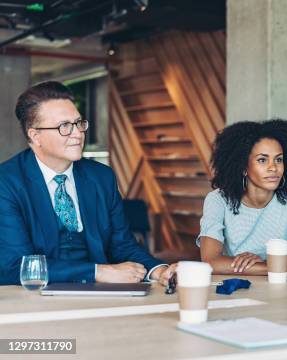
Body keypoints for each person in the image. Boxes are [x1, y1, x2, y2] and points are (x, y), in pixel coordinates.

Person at [0, 81, 175, 286]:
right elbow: (16, 265)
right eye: (64, 126)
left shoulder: (102, 177)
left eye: (78, 123)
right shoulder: (7, 182)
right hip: (36, 298)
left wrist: (159, 271)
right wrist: (96, 272)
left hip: (99, 294)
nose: (77, 133)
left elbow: (122, 245)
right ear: (35, 135)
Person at [197, 119, 287, 278]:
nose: (273, 167)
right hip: (235, 286)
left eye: (278, 159)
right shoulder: (217, 200)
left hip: (278, 286)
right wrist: (275, 268)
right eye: (262, 160)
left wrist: (273, 265)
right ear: (243, 166)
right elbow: (210, 261)